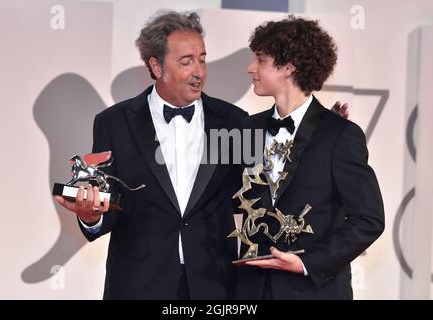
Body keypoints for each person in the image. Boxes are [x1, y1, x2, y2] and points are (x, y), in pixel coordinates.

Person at [54, 10, 349, 300]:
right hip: (138, 285)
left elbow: (270, 190)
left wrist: (315, 135)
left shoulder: (234, 121)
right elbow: (107, 199)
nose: (199, 71)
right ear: (157, 67)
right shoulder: (114, 123)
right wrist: (91, 216)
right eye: (186, 61)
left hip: (215, 285)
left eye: (202, 59)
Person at [234, 15, 384, 299]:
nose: (250, 68)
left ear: (288, 67)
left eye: (261, 60)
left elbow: (368, 219)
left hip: (314, 291)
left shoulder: (340, 135)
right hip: (251, 291)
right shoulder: (247, 129)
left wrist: (307, 263)